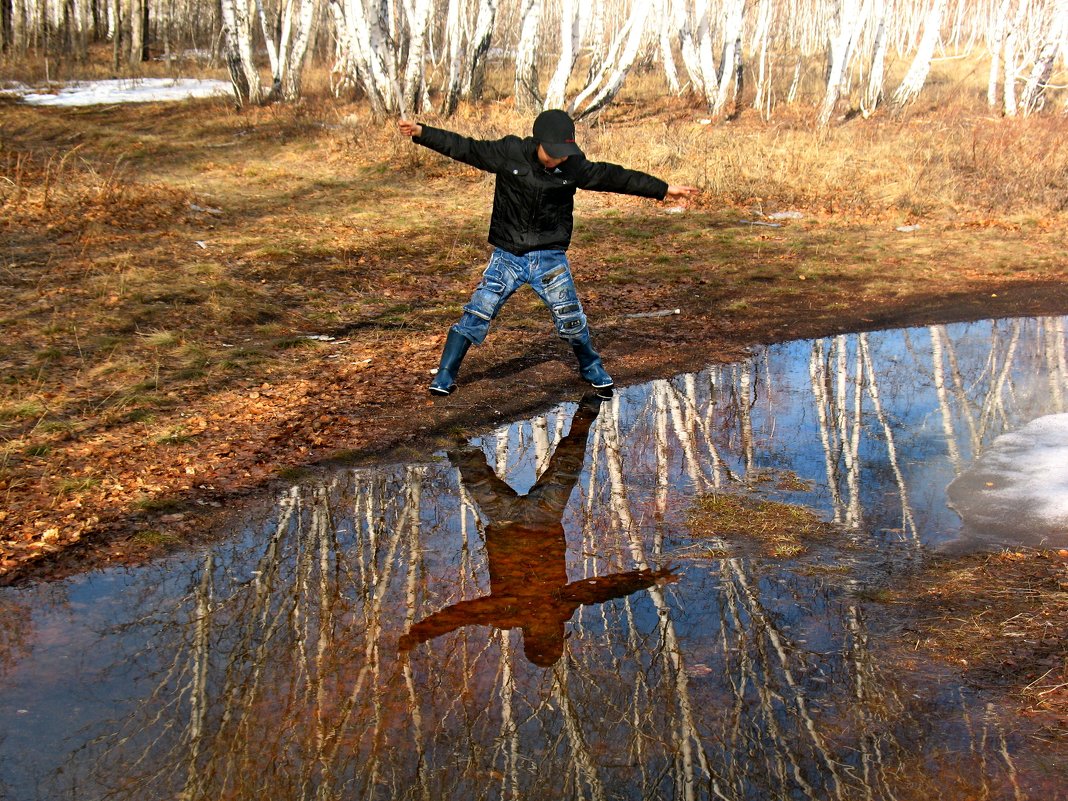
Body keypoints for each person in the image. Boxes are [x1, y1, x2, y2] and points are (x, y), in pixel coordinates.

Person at [398, 110, 698, 396]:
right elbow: (464, 147)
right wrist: (422, 133)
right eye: (552, 153)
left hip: (549, 258)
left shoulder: (573, 166)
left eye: (563, 153)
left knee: (570, 317)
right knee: (479, 310)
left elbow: (616, 177)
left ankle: (591, 366)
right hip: (508, 255)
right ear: (538, 142)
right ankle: (446, 372)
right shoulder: (510, 152)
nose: (558, 160)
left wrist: (663, 189)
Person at [397, 394, 676, 667]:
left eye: (548, 634)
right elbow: (603, 589)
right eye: (552, 633)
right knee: (558, 465)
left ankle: (449, 428)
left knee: (484, 471)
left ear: (534, 636)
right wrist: (647, 578)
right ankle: (584, 412)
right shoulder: (552, 608)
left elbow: (460, 616)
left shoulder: (515, 613)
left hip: (516, 522)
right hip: (537, 519)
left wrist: (420, 633)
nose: (548, 626)